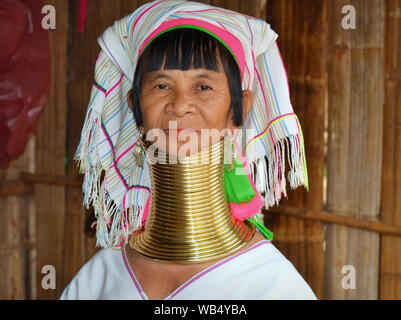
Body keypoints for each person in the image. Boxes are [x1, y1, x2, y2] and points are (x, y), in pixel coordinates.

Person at [60, 0, 317, 300]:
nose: (180, 105)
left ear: (239, 109)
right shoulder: (98, 280)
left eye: (203, 86)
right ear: (135, 107)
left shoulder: (272, 285)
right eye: (161, 86)